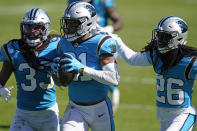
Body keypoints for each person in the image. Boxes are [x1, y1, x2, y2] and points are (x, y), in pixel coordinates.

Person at [114, 16, 197, 131]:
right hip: (164, 117)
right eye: (159, 35)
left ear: (178, 38)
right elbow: (132, 59)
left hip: (183, 115)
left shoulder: (190, 61)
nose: (160, 40)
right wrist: (116, 40)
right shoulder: (157, 56)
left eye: (165, 37)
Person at [52, 2, 120, 131]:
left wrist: (84, 69)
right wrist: (55, 74)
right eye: (67, 23)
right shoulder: (63, 44)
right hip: (75, 108)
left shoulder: (101, 42)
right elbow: (61, 83)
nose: (68, 27)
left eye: (73, 23)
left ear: (87, 23)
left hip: (100, 109)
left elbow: (114, 79)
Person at [0, 8, 61, 131]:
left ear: (45, 29)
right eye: (28, 27)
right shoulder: (13, 49)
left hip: (49, 113)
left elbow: (62, 82)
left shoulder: (57, 46)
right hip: (23, 114)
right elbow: (2, 77)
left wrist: (59, 71)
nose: (32, 31)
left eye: (37, 27)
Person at [68, 0, 123, 113]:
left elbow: (119, 22)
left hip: (101, 45)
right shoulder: (73, 2)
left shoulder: (103, 2)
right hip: (80, 44)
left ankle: (110, 95)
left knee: (106, 74)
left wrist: (110, 28)